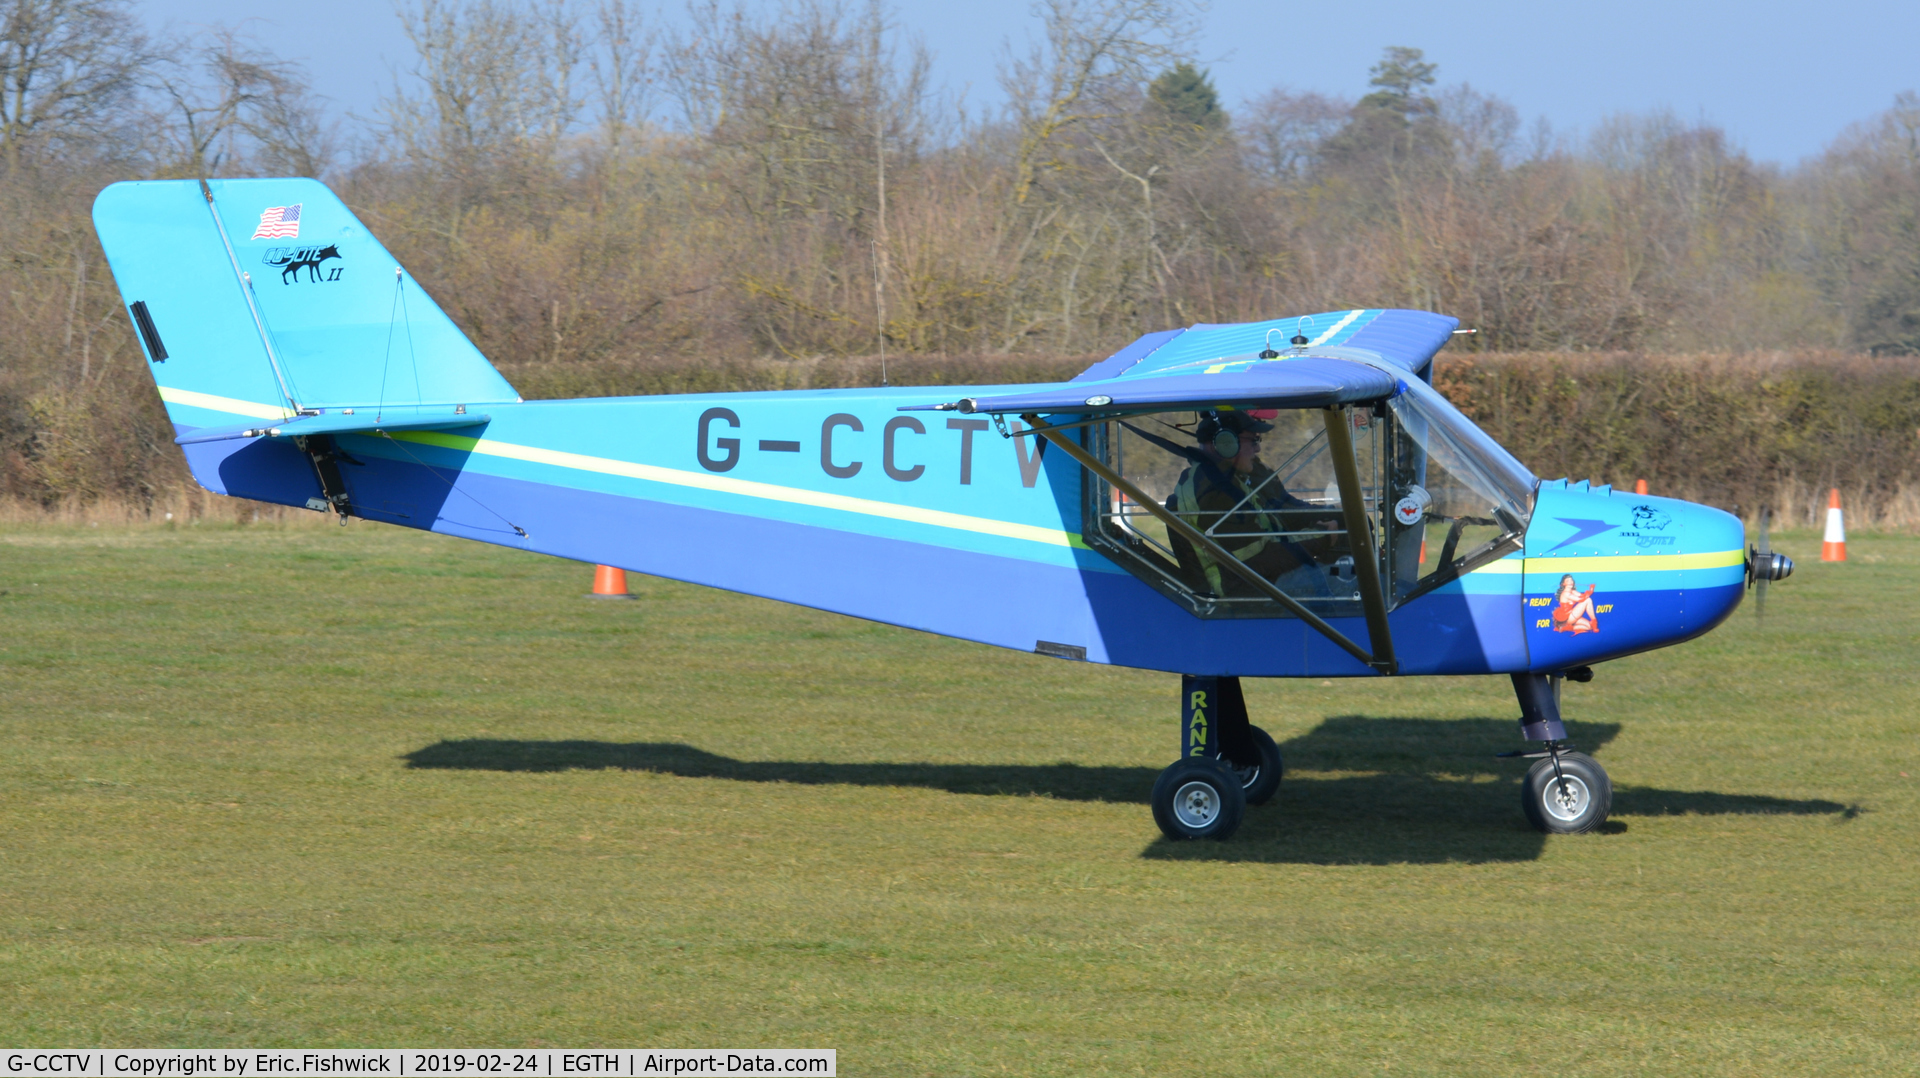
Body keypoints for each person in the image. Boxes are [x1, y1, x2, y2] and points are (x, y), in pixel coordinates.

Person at [1170, 410, 1342, 597]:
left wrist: (1336, 517)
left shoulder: (1229, 479)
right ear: (1225, 443)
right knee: (1358, 586)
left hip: (1266, 580)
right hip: (1250, 591)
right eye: (1253, 441)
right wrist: (1321, 537)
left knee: (1347, 572)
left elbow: (1280, 515)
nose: (1258, 449)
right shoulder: (1213, 491)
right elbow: (1257, 561)